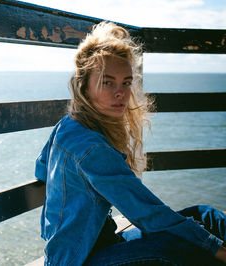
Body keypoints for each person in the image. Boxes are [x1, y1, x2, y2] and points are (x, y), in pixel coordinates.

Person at [35, 21, 226, 265]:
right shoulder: (93, 148)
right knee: (187, 247)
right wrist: (217, 249)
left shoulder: (68, 125)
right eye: (107, 82)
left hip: (91, 245)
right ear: (84, 85)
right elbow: (148, 214)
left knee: (203, 216)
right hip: (80, 260)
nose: (121, 93)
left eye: (126, 82)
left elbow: (41, 169)